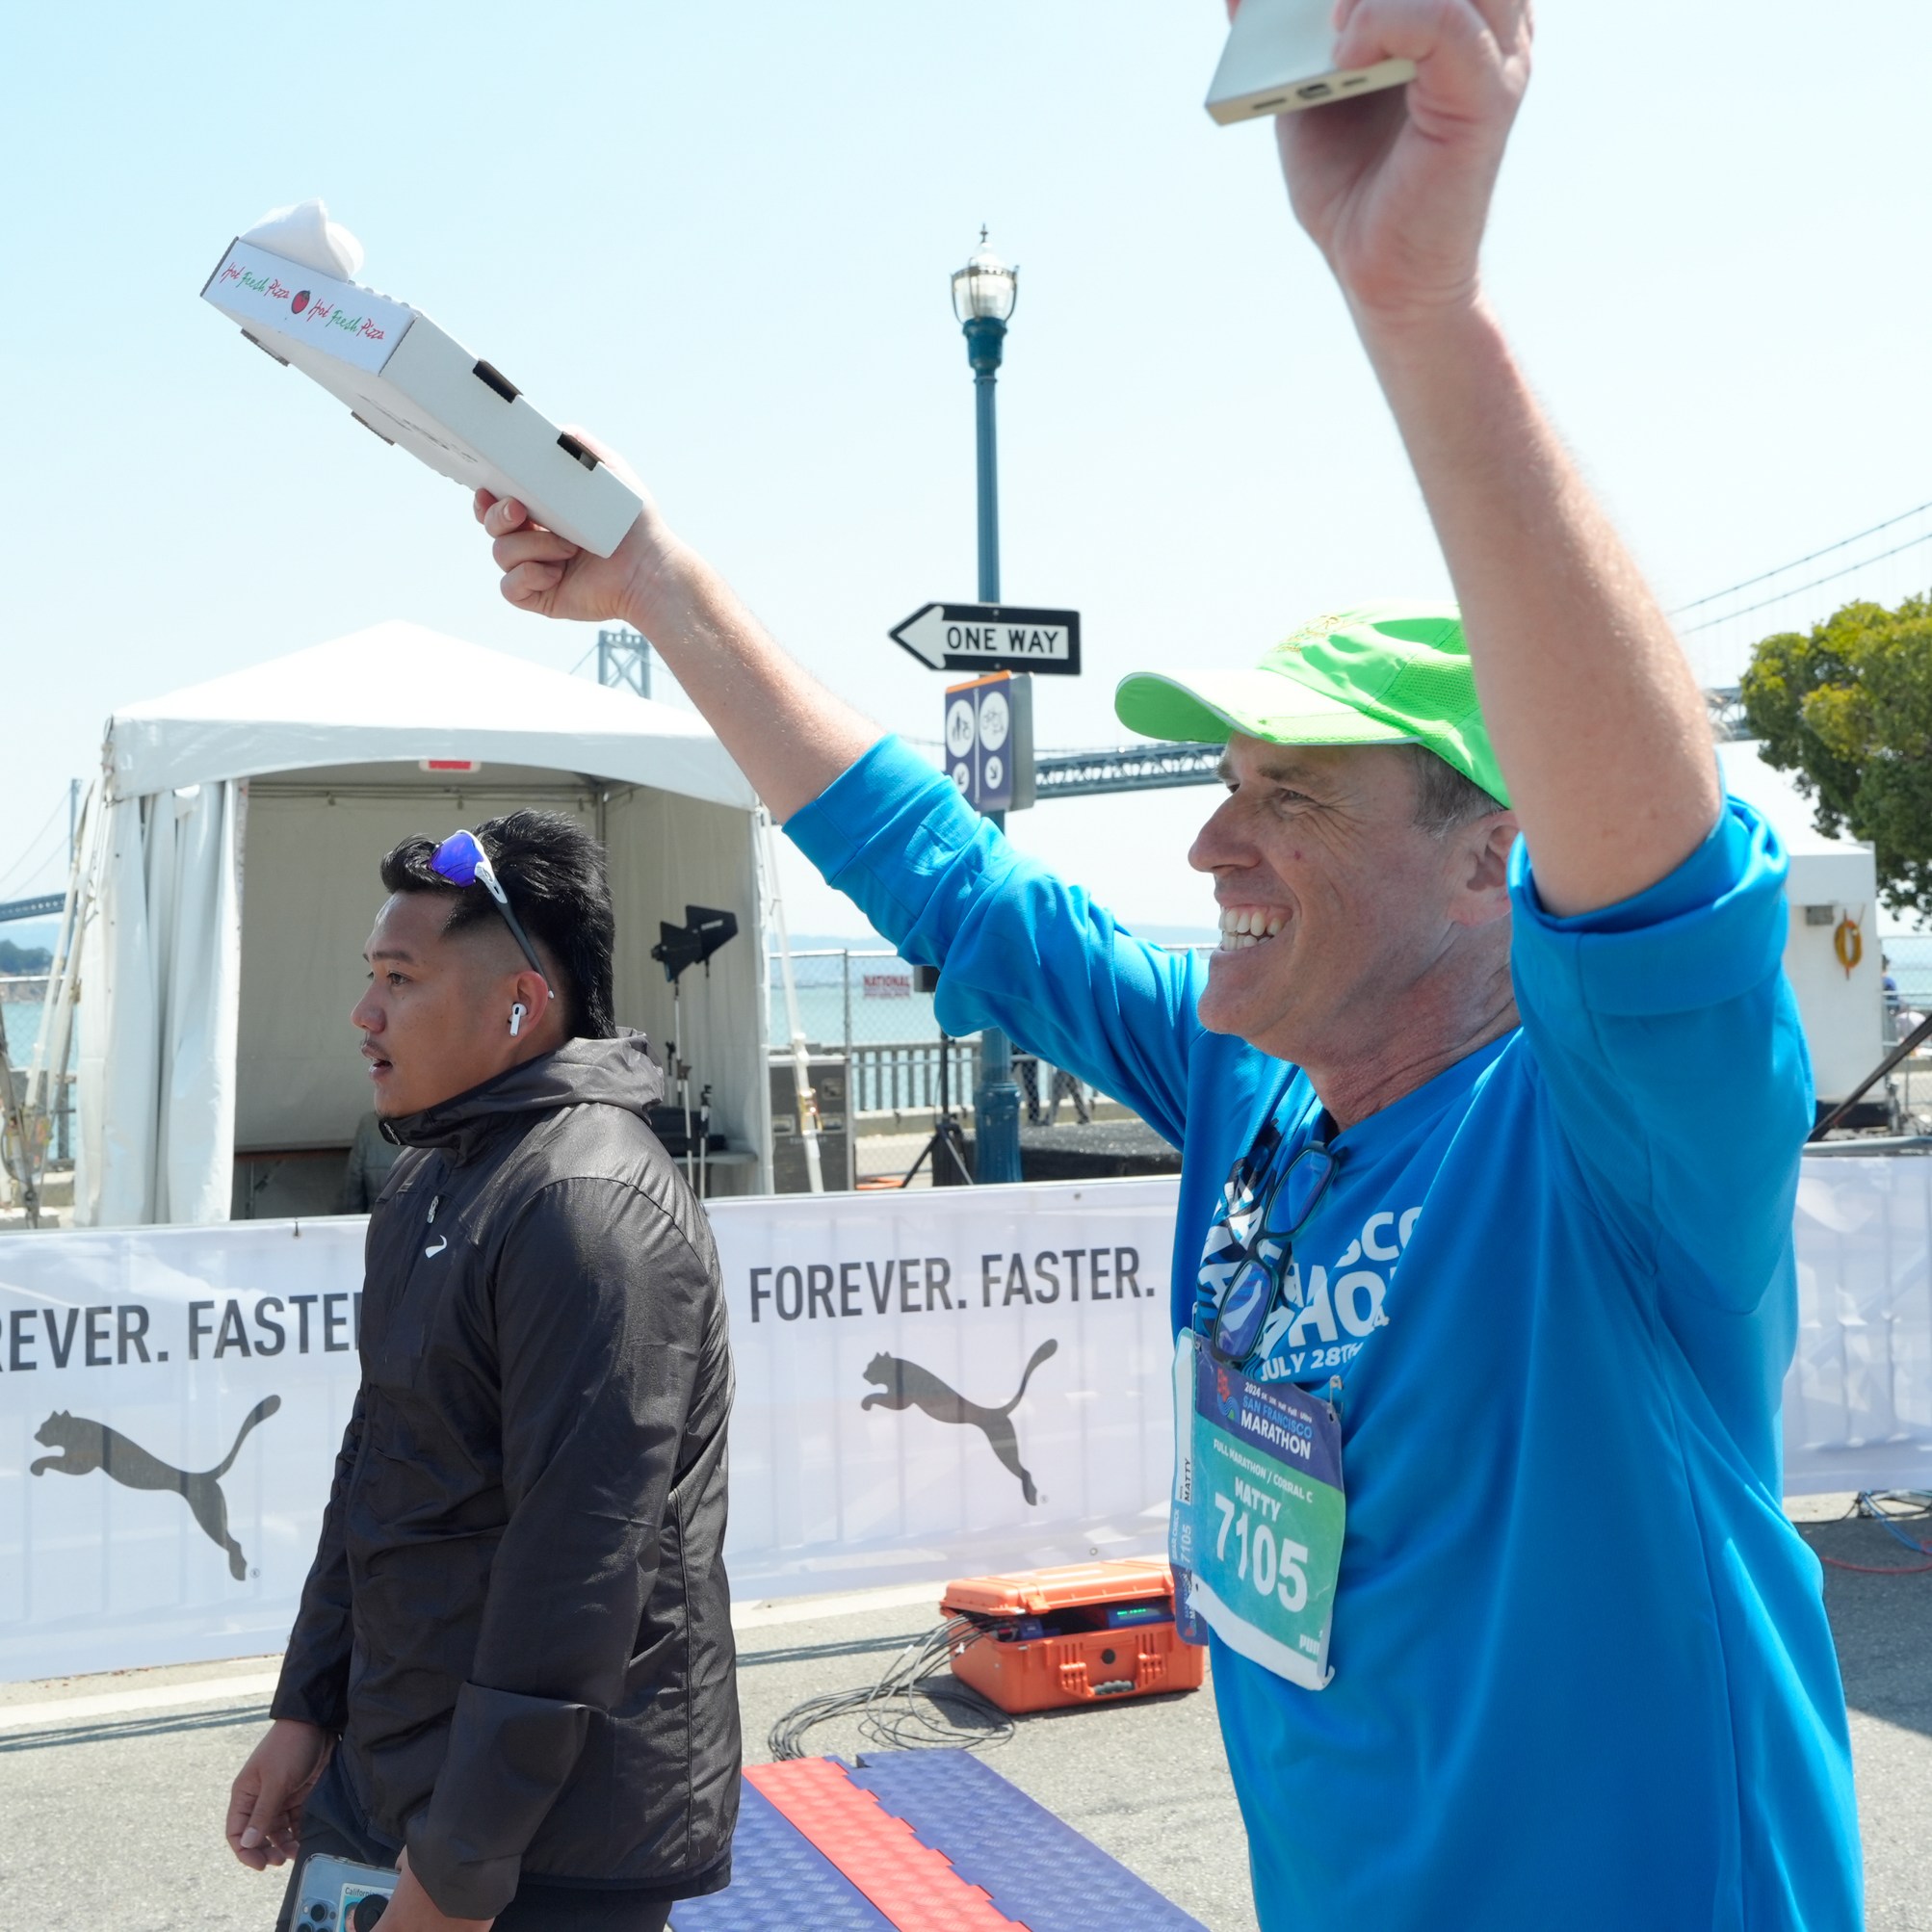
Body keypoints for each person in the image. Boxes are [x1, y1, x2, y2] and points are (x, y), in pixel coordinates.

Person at [470, 6, 1862, 1925]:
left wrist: (1418, 309)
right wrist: (653, 576)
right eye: (1220, 784)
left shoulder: (1610, 1133)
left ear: (1492, 857)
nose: (1211, 844)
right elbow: (948, 883)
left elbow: (1662, 877)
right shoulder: (1253, 1080)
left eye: (1288, 795)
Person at [225, 811, 738, 1932]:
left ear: (517, 1001)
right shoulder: (429, 1182)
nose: (364, 1014)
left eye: (399, 979)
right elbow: (377, 1467)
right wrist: (306, 1709)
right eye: (370, 976)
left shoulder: (585, 1207)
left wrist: (458, 1868)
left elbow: (576, 1570)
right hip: (395, 1776)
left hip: (550, 1836)